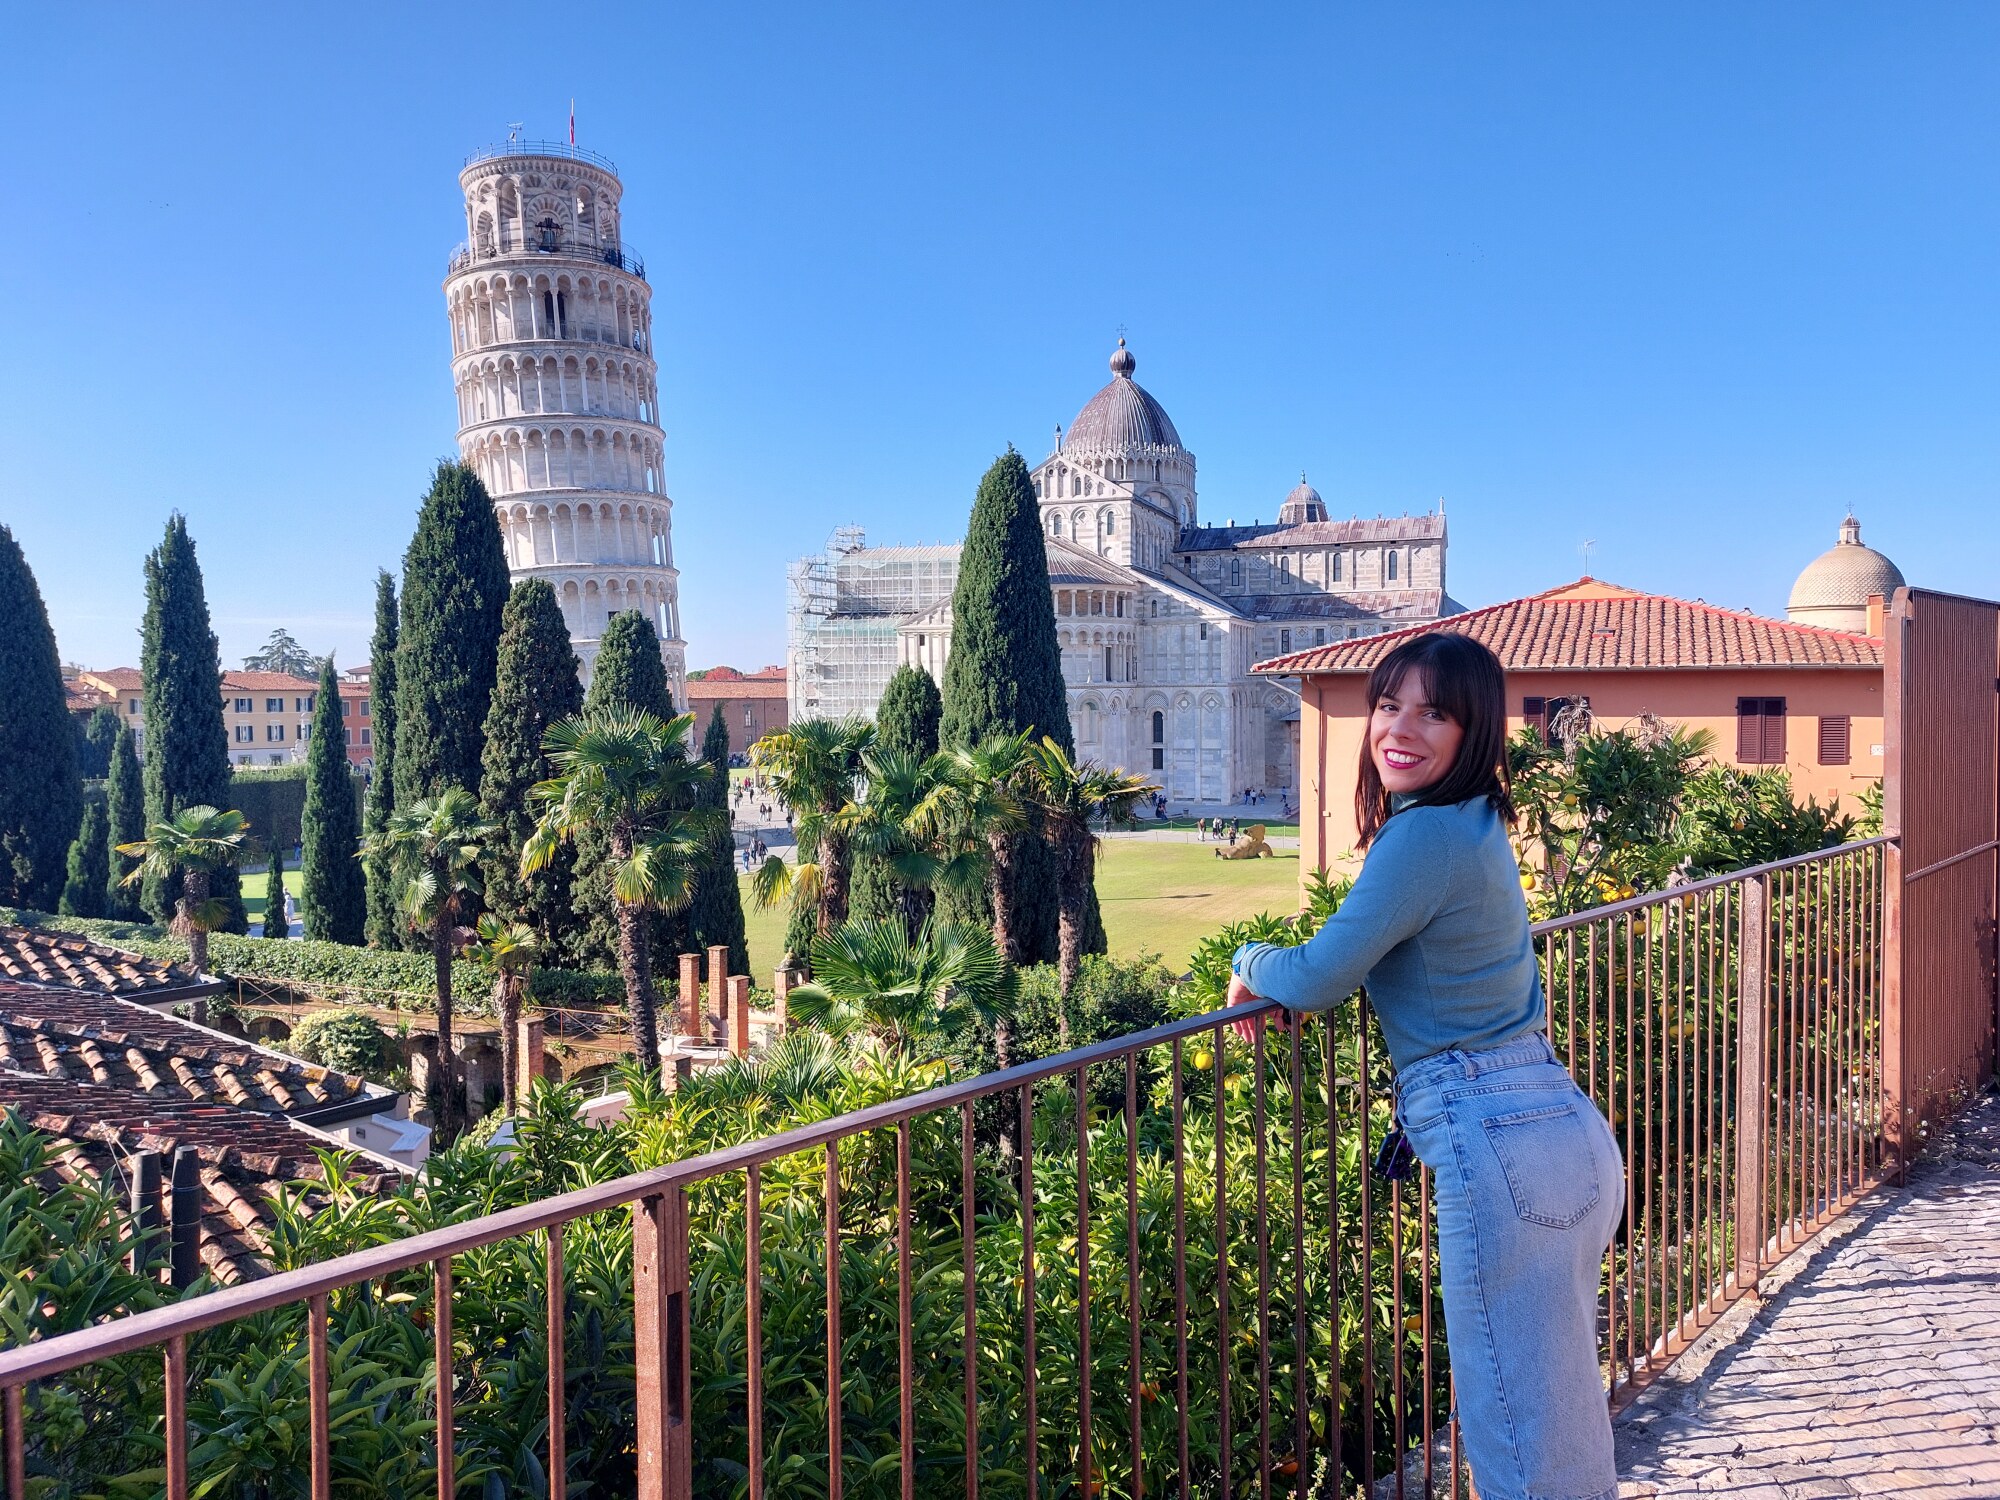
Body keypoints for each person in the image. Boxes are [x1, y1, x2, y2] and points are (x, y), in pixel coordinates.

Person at [1225, 632, 1621, 1500]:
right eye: (1388, 704)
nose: (1399, 728)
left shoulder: (1422, 839)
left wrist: (1251, 963)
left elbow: (1320, 974)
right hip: (1561, 1128)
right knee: (1558, 1421)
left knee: (1514, 1440)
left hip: (1496, 1141)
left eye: (1434, 712)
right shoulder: (1477, 823)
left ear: (1472, 729)